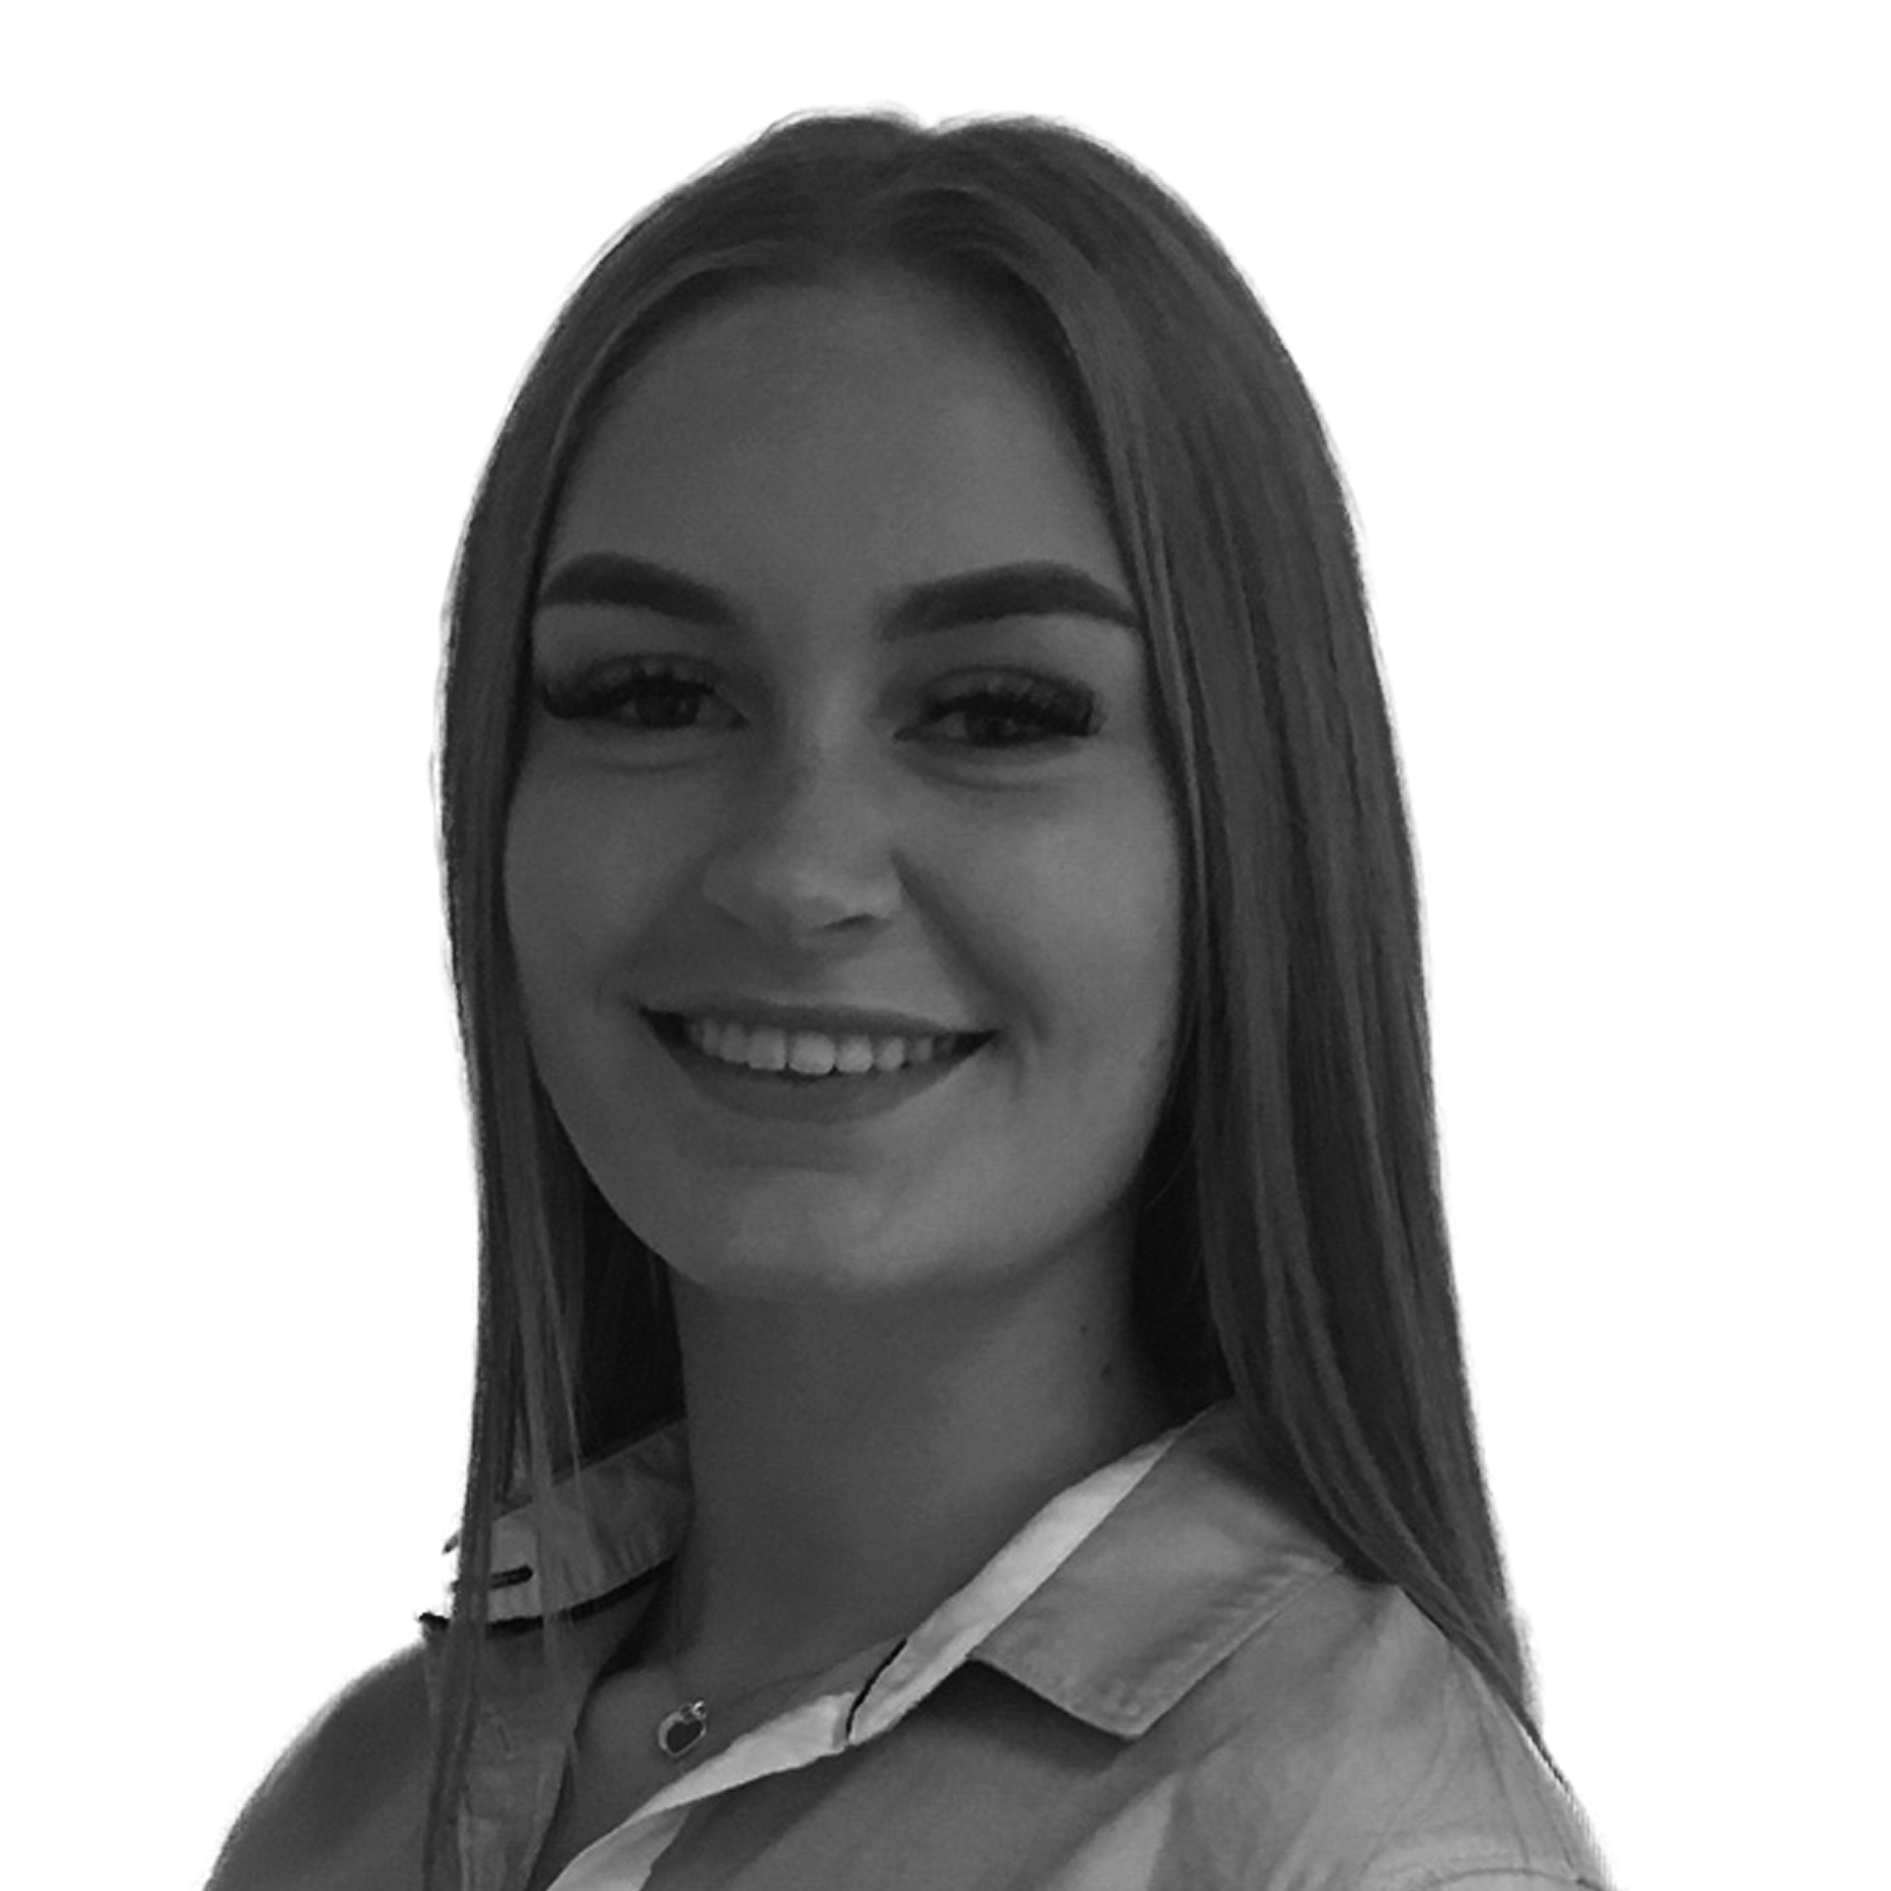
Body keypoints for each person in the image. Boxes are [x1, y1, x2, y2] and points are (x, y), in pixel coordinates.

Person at [205, 108, 1616, 1891]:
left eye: (997, 715)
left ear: (1248, 840)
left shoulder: (1369, 1848)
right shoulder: (349, 1808)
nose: (797, 870)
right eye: (652, 695)